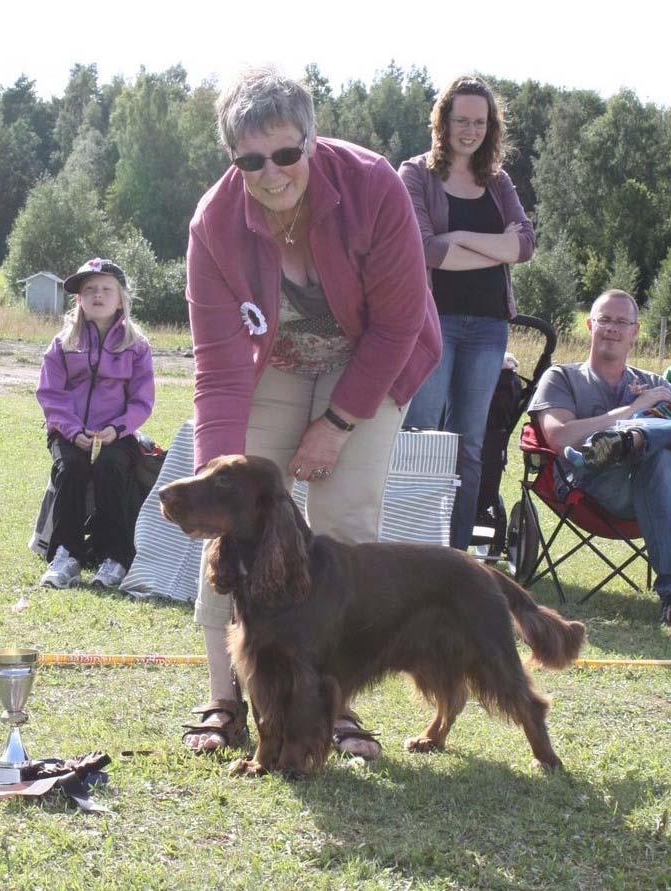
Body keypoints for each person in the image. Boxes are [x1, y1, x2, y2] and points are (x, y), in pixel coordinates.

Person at [184, 66, 442, 760]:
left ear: (311, 138)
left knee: (345, 522)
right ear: (232, 158)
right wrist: (216, 480)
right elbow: (217, 363)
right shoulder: (213, 225)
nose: (270, 174)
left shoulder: (373, 187)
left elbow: (396, 324)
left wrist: (336, 424)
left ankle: (335, 704)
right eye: (250, 160)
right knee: (234, 529)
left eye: (286, 154)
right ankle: (223, 699)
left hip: (371, 358)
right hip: (272, 364)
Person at [399, 75, 535, 550]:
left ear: (490, 126)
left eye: (480, 121)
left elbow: (525, 245)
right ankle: (414, 545)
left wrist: (460, 240)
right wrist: (496, 248)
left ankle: (455, 554)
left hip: (489, 327)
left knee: (471, 446)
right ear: (443, 121)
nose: (470, 130)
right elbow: (424, 250)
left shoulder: (497, 183)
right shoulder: (414, 175)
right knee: (423, 436)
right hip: (434, 325)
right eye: (462, 120)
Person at [528, 289, 671, 626]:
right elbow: (561, 436)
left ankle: (632, 439)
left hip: (656, 489)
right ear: (590, 325)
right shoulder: (562, 377)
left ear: (635, 332)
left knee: (658, 459)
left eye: (622, 322)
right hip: (591, 485)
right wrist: (632, 410)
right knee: (658, 457)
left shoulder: (652, 382)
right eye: (605, 319)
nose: (612, 328)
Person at [36, 258, 155, 590]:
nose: (98, 296)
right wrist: (73, 431)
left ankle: (114, 557)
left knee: (111, 467)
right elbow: (50, 394)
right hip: (69, 432)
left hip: (116, 433)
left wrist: (117, 429)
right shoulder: (62, 344)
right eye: (90, 290)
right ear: (79, 300)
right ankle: (66, 555)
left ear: (121, 299)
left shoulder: (137, 346)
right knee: (70, 468)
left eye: (106, 289)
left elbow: (141, 400)